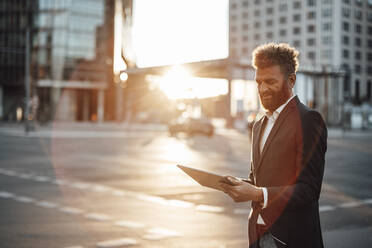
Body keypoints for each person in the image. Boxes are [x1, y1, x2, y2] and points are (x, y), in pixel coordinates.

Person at [219, 43, 327, 248]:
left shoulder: (309, 120)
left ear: (291, 80)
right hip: (259, 236)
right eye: (258, 82)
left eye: (270, 82)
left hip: (293, 239)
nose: (262, 89)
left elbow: (309, 190)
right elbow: (258, 180)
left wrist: (259, 194)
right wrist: (237, 184)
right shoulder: (259, 124)